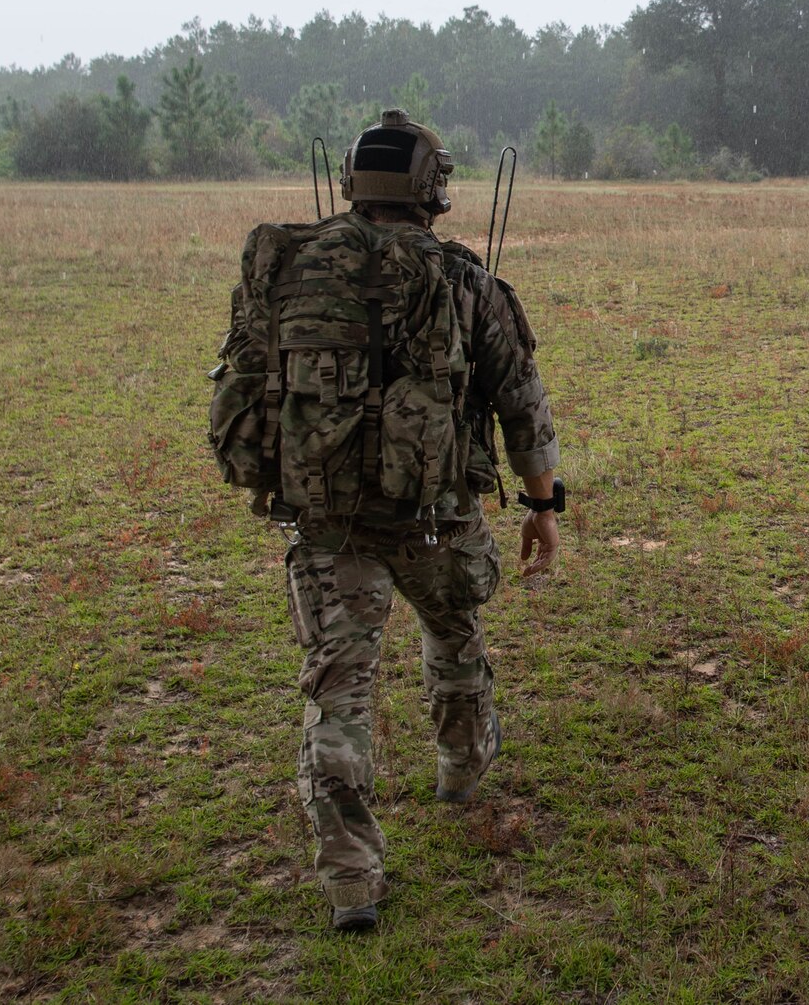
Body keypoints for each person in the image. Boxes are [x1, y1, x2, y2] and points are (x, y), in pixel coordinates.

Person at [208, 108, 561, 932]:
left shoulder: (287, 266)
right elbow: (522, 402)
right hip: (436, 515)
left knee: (339, 697)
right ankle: (460, 769)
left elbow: (248, 374)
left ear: (353, 184)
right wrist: (543, 505)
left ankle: (350, 881)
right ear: (429, 188)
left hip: (327, 523)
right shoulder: (465, 279)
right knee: (455, 630)